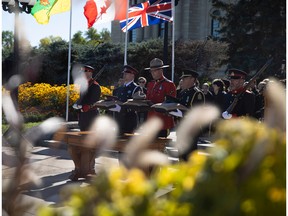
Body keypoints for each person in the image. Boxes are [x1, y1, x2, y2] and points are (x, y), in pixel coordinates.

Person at [69, 64, 101, 181]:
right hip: (83, 117)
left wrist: (82, 107)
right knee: (82, 142)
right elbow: (82, 99)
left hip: (92, 117)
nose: (84, 74)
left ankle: (90, 169)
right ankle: (82, 168)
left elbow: (94, 102)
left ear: (90, 73)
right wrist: (77, 104)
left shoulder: (95, 86)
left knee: (92, 144)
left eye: (86, 72)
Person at [176, 69, 205, 160]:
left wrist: (182, 113)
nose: (183, 80)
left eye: (185, 78)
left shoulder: (197, 93)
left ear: (192, 79)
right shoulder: (183, 92)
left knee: (189, 156)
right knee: (181, 155)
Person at [145, 58, 177, 138]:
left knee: (160, 147)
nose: (152, 73)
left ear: (160, 70)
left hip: (162, 122)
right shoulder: (150, 84)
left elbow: (171, 104)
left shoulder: (169, 84)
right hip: (151, 120)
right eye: (151, 71)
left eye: (154, 71)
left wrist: (155, 105)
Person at [112, 65, 142, 135]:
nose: (124, 75)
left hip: (129, 120)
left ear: (132, 75)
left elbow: (136, 105)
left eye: (127, 73)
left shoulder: (136, 88)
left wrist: (121, 108)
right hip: (119, 120)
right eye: (124, 73)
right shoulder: (120, 89)